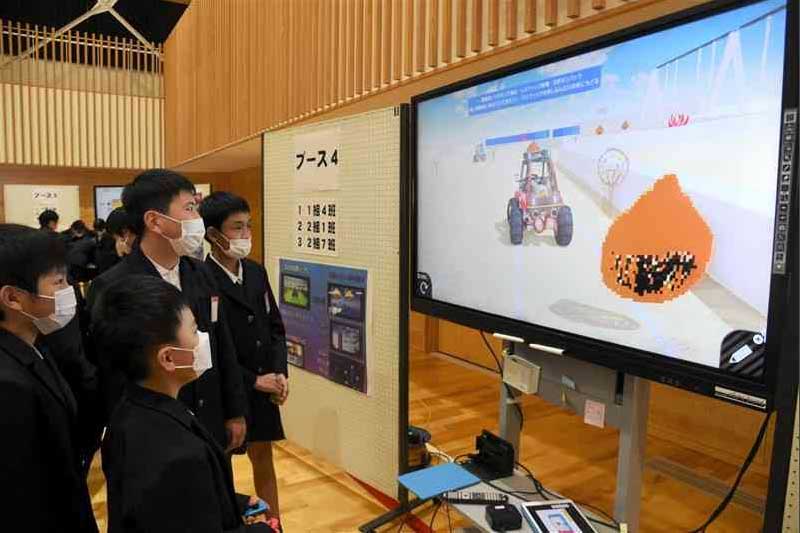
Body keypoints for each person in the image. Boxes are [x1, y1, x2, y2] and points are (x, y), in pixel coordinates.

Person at [92, 275, 277, 533]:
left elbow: (177, 504)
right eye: (193, 330)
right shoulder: (178, 455)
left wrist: (236, 503)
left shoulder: (130, 411)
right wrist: (264, 530)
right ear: (168, 358)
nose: (202, 338)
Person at [87, 169, 247, 451]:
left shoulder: (201, 272)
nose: (197, 219)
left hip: (209, 415)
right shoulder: (112, 286)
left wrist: (235, 410)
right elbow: (111, 373)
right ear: (154, 221)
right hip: (152, 429)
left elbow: (222, 341)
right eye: (189, 208)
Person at [0, 224, 98, 532]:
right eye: (58, 282)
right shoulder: (8, 384)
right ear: (13, 298)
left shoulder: (36, 342)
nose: (69, 290)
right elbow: (23, 493)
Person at [200, 192, 289, 522]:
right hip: (227, 388)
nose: (246, 234)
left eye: (248, 226)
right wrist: (254, 380)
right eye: (237, 227)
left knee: (263, 457)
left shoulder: (255, 271)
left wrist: (279, 372)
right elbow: (210, 349)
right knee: (221, 463)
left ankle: (275, 524)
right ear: (213, 234)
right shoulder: (201, 279)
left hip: (265, 387)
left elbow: (275, 326)